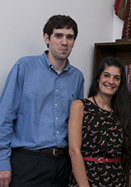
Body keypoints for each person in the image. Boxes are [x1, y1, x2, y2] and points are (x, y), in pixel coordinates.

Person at [0, 15, 84, 187]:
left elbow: (77, 125)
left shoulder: (77, 77)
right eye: (58, 36)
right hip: (28, 161)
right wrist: (2, 163)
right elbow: (5, 117)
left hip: (62, 164)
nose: (64, 42)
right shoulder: (24, 67)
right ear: (47, 38)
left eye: (69, 37)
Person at [68, 56, 131, 186]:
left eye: (116, 78)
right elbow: (74, 151)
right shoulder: (80, 106)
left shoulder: (121, 112)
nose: (111, 81)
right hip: (87, 177)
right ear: (98, 78)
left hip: (116, 179)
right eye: (106, 75)